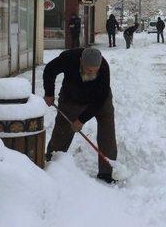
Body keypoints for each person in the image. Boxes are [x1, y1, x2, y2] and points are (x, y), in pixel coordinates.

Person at [43, 48, 117, 183]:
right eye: (89, 70)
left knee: (107, 130)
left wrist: (81, 120)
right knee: (63, 130)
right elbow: (49, 70)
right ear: (81, 62)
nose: (93, 73)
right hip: (71, 97)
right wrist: (49, 93)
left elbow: (100, 98)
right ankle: (51, 162)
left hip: (99, 99)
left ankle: (106, 172)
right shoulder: (68, 59)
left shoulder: (104, 67)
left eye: (96, 70)